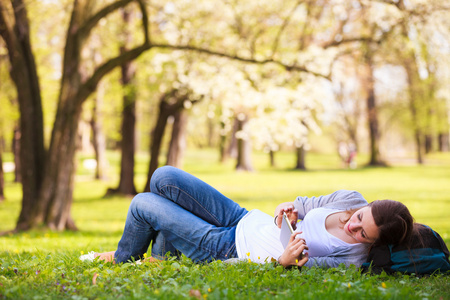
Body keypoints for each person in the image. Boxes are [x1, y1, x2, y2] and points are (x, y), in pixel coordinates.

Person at [81, 166, 414, 269]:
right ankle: (160, 257)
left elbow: (297, 270)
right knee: (163, 178)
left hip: (227, 248)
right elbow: (306, 202)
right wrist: (291, 208)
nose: (352, 225)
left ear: (371, 244)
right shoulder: (351, 199)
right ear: (363, 206)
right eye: (358, 217)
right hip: (242, 217)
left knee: (143, 203)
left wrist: (283, 261)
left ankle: (125, 261)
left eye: (361, 233)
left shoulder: (351, 259)